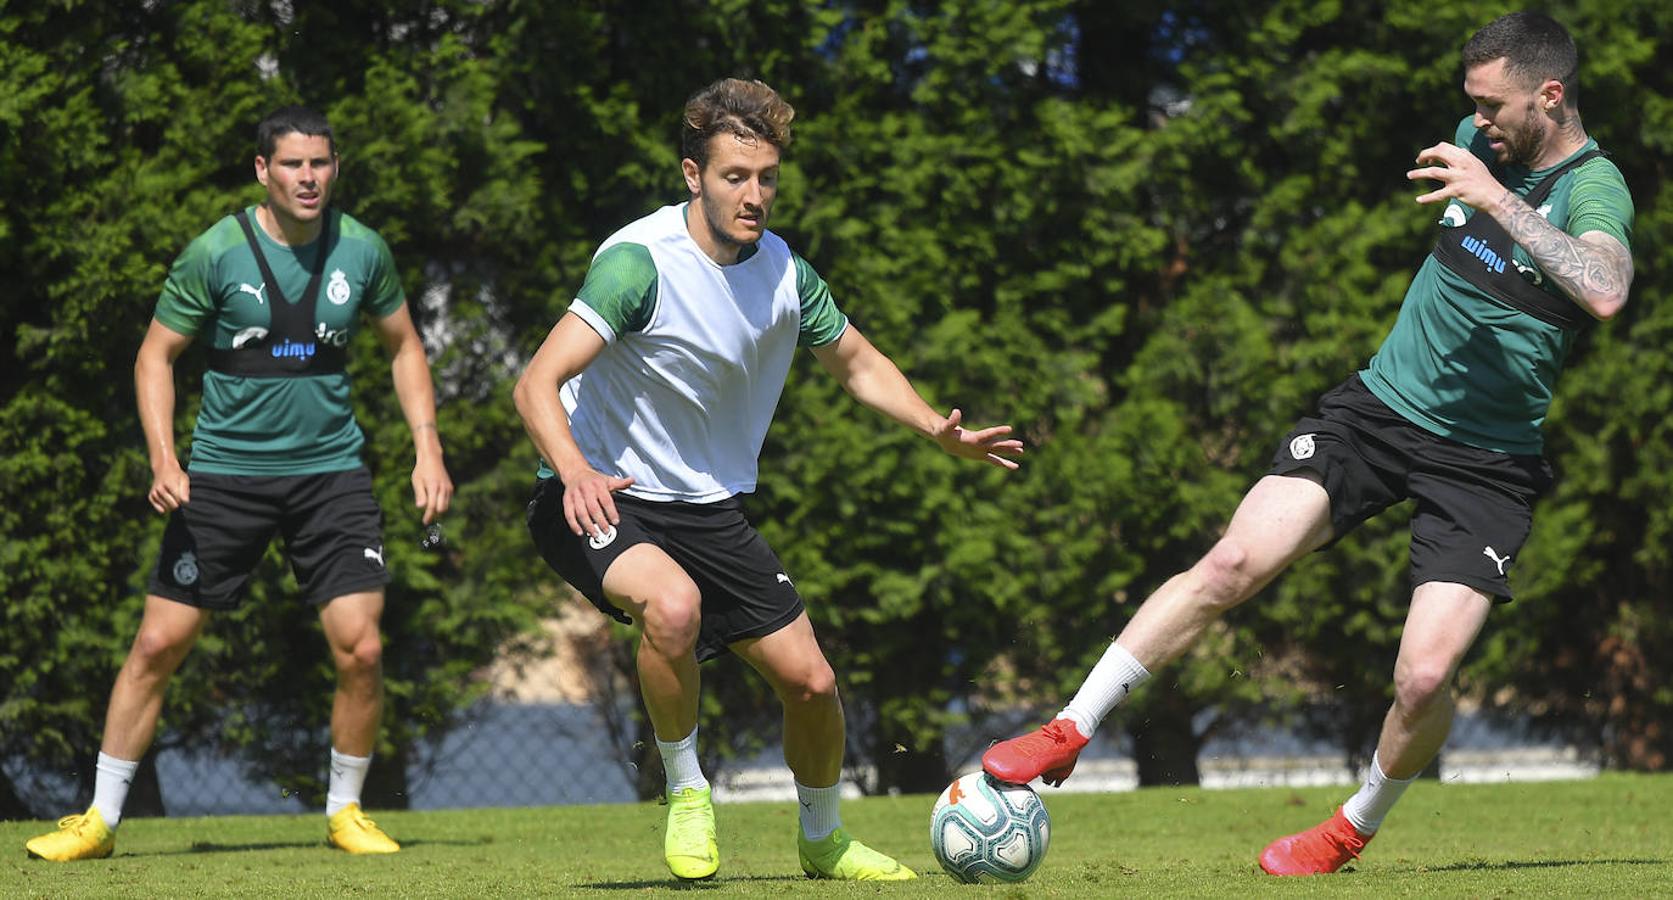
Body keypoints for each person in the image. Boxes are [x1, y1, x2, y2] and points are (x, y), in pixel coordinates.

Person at [982, 11, 1633, 876]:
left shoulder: (1591, 187)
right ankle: (1069, 729)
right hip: (1374, 414)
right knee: (1232, 564)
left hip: (1485, 464)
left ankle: (1350, 826)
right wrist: (1488, 180)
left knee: (1424, 679)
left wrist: (1495, 199)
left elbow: (1606, 290)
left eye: (1492, 105)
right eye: (1469, 105)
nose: (1475, 122)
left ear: (1549, 96)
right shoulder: (1484, 148)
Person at [515, 77, 1023, 882]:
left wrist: (935, 427)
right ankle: (686, 793)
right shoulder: (637, 264)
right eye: (733, 177)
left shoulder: (785, 273)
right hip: (595, 491)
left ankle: (822, 839)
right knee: (671, 607)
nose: (754, 196)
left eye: (766, 179)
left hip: (707, 505)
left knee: (813, 684)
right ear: (692, 175)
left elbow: (854, 362)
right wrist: (573, 470)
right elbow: (534, 382)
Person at [25, 106, 453, 861]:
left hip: (331, 477)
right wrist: (164, 458)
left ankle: (345, 812)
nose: (308, 177)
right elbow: (154, 357)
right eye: (292, 164)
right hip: (224, 477)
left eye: (320, 163)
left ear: (334, 167)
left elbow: (404, 346)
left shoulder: (363, 250)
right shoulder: (216, 252)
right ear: (263, 170)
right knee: (158, 643)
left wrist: (428, 448)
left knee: (360, 649)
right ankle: (97, 821)